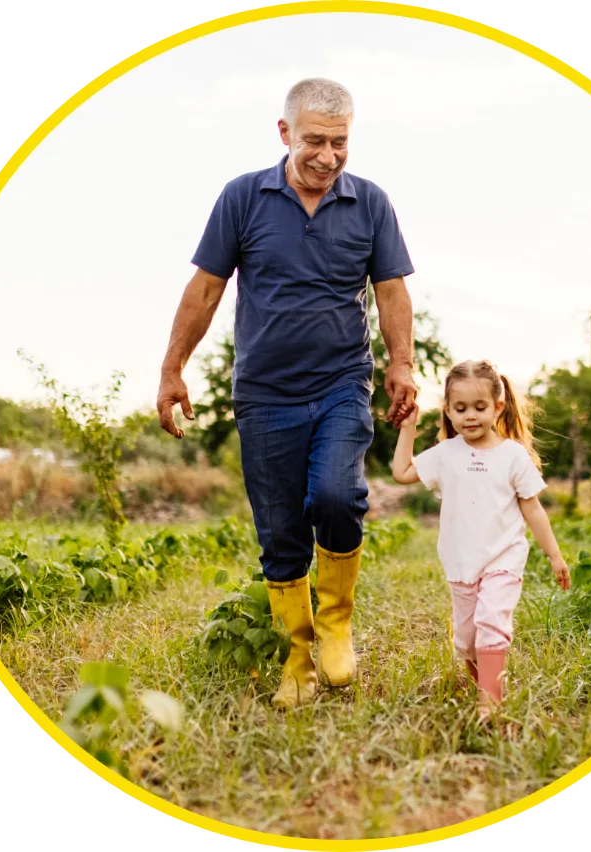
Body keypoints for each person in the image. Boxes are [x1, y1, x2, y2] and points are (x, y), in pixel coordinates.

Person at [157, 78, 418, 709]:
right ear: (284, 134)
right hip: (264, 392)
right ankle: (297, 657)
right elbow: (206, 290)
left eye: (341, 142)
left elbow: (390, 292)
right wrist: (172, 370)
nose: (328, 156)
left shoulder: (371, 203)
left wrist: (402, 364)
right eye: (314, 142)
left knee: (336, 493)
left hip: (340, 382)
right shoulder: (243, 198)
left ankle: (335, 626)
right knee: (279, 530)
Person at [390, 359, 570, 723]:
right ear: (448, 410)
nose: (470, 416)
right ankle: (484, 684)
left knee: (492, 623)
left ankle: (490, 704)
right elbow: (402, 473)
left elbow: (533, 509)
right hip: (461, 561)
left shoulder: (513, 456)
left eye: (479, 407)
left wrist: (554, 556)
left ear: (497, 407)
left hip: (503, 557)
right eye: (460, 408)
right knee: (468, 640)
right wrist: (408, 427)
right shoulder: (446, 453)